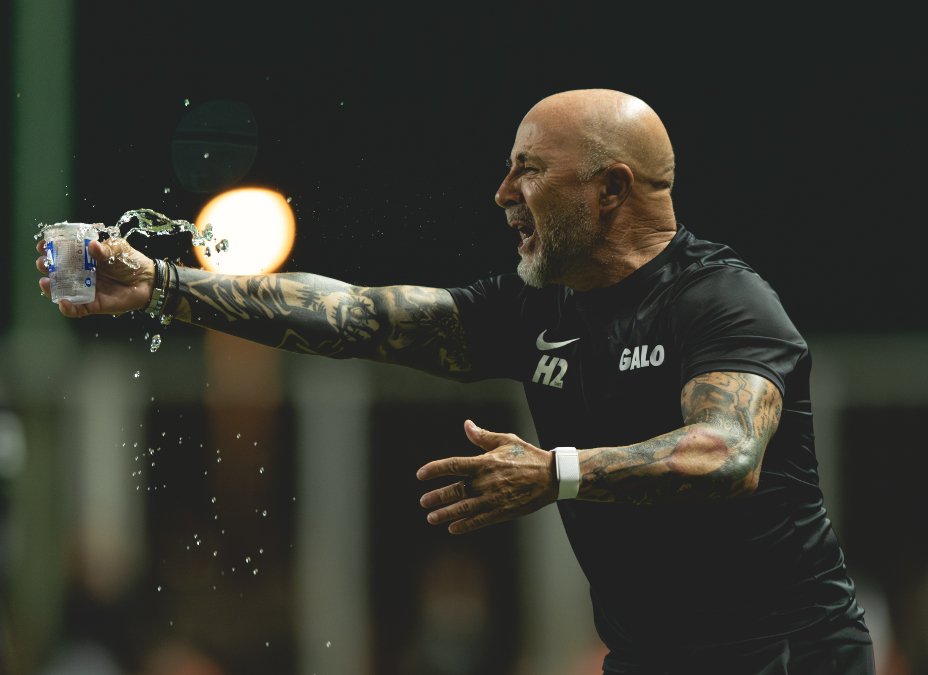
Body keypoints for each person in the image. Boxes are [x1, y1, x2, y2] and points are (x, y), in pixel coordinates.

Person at [35, 88, 873, 674]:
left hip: (790, 658)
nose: (502, 192)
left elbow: (727, 453)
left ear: (611, 188)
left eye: (529, 169)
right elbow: (358, 314)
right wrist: (166, 285)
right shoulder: (537, 304)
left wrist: (554, 472)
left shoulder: (722, 300)